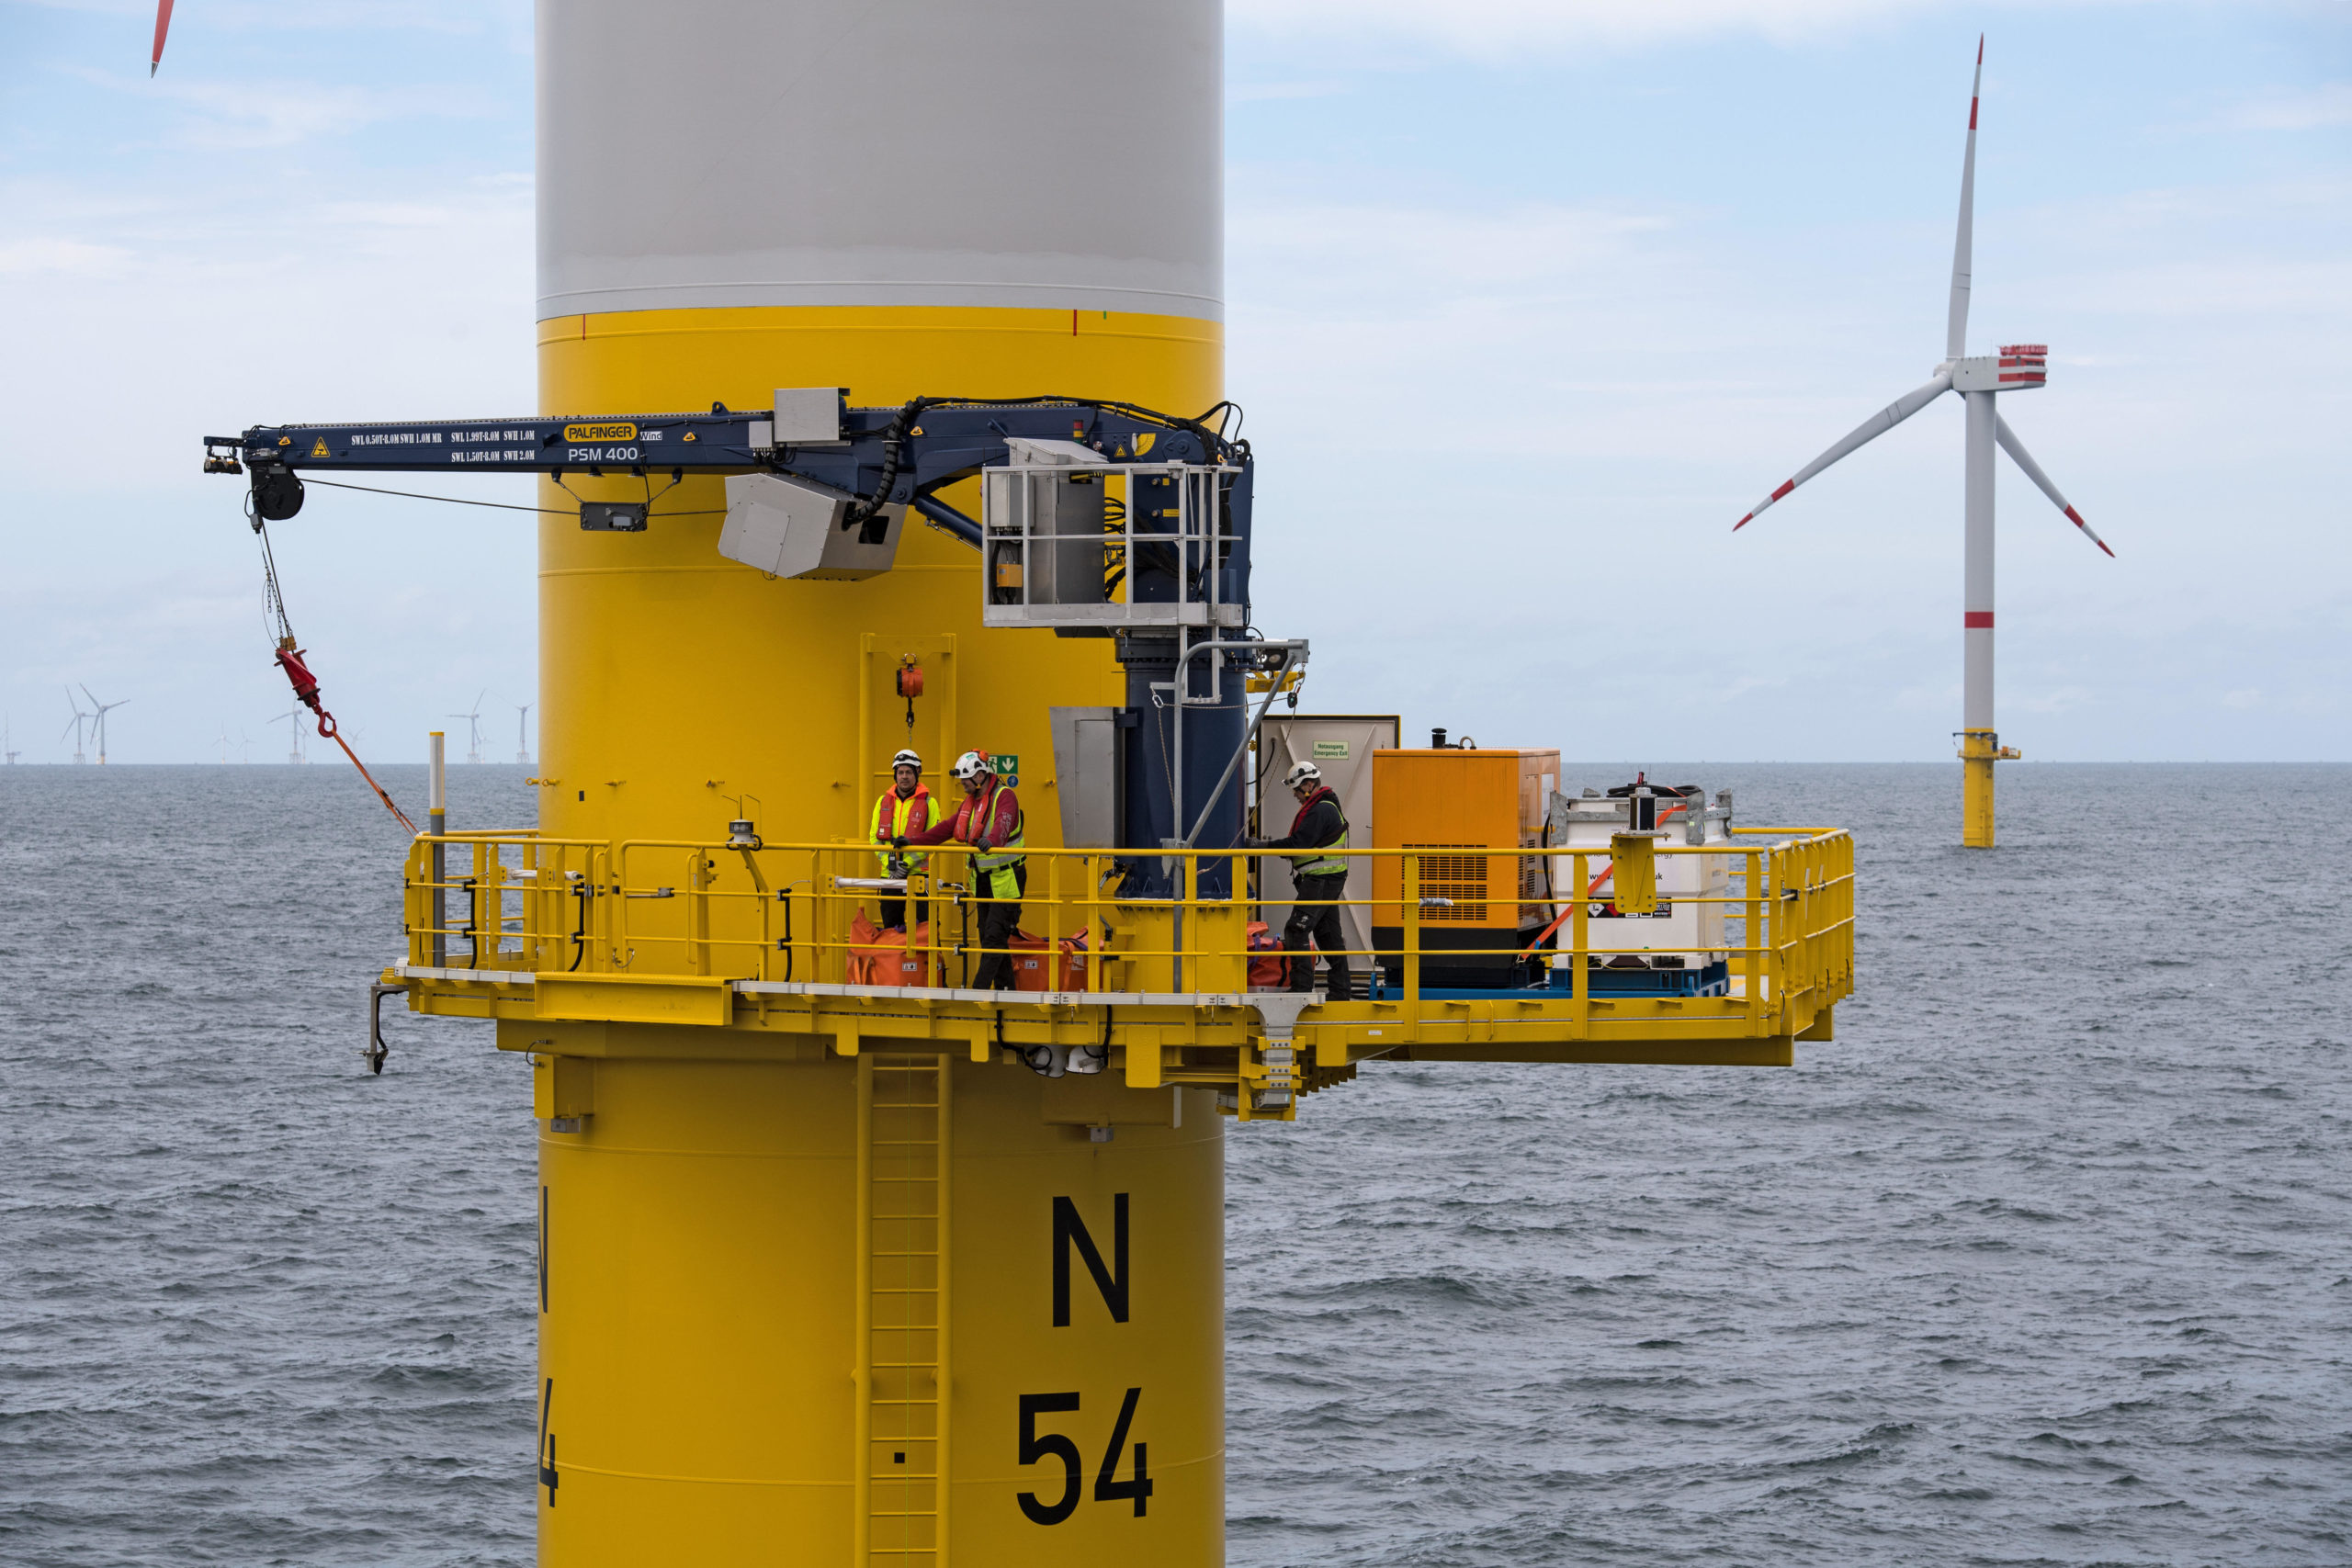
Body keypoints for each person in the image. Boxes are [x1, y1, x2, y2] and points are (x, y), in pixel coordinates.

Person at [901, 750, 1026, 990]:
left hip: (1008, 879)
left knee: (993, 938)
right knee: (989, 937)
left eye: (965, 781)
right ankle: (1007, 992)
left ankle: (977, 992)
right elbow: (947, 828)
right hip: (982, 881)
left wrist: (991, 841)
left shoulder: (1005, 796)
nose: (963, 786)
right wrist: (912, 841)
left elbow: (1003, 823)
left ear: (980, 775)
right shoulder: (972, 802)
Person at [1248, 761, 1353, 999]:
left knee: (1296, 929)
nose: (1295, 795)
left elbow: (1298, 844)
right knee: (1328, 935)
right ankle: (1340, 993)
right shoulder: (1325, 806)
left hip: (1321, 879)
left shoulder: (1320, 810)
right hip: (1326, 879)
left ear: (1307, 784)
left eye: (1296, 789)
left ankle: (1302, 989)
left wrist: (1262, 846)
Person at [867, 747, 940, 931]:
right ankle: (893, 961)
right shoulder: (882, 802)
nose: (904, 777)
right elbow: (874, 839)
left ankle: (931, 961)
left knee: (927, 928)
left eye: (908, 772)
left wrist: (906, 864)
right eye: (900, 772)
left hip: (920, 875)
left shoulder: (930, 803)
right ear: (895, 775)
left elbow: (932, 839)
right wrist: (889, 864)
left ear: (917, 774)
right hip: (889, 875)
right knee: (890, 927)